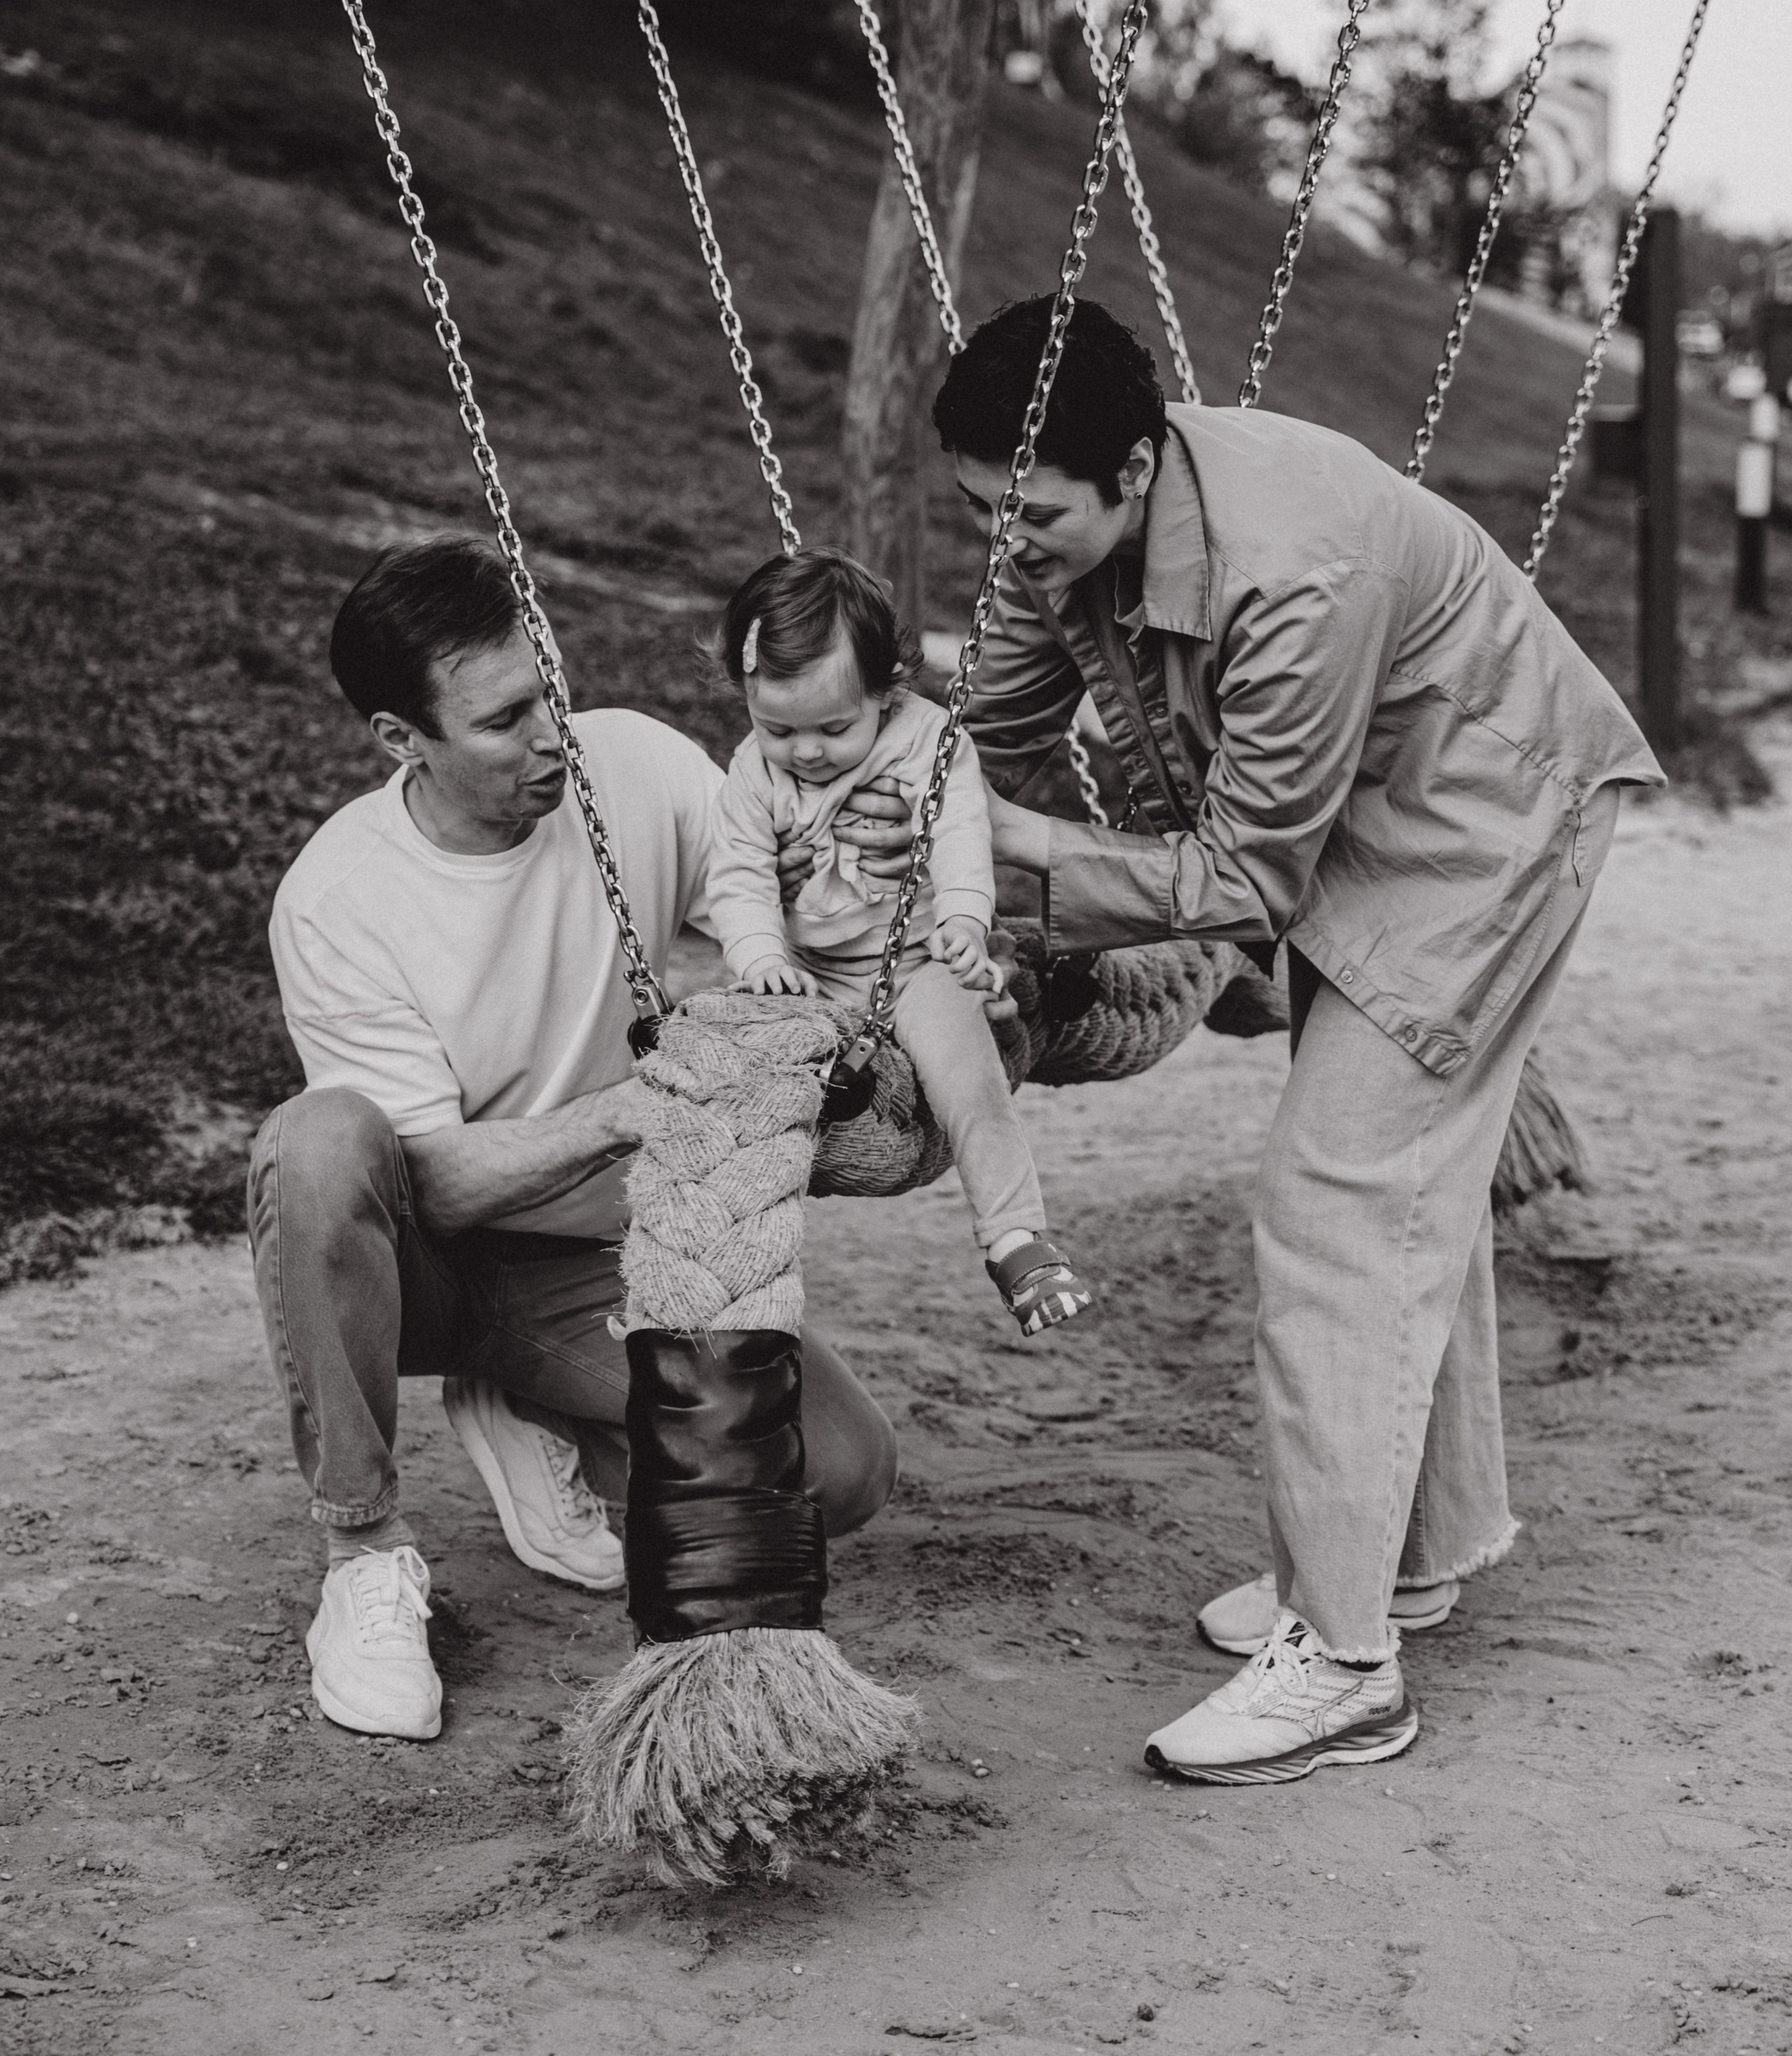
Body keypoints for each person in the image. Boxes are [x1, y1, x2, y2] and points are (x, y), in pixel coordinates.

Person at [937, 295, 1663, 1786]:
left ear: (1134, 472)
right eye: (976, 518)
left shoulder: (1290, 570)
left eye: (1033, 522)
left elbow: (1244, 877)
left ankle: (1341, 1668)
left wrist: (1033, 857)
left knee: (1336, 1195)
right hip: (1358, 827)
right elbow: (996, 730)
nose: (1006, 550)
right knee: (1405, 1198)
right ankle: (1400, 1558)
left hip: (1479, 825)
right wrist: (975, 896)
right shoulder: (1047, 510)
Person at [250, 536, 899, 1742]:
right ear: (406, 741)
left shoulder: (634, 764)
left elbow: (783, 917)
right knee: (319, 1144)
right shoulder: (341, 901)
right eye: (505, 720)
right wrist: (632, 1109)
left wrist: (874, 899)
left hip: (591, 1267)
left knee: (841, 1470)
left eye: (548, 687)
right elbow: (428, 1182)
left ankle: (530, 1404)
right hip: (431, 1271)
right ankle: (365, 1556)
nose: (551, 734)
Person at [706, 547, 1096, 1336]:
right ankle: (716, 1284)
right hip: (808, 970)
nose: (805, 751)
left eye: (833, 727)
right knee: (731, 1092)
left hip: (914, 963)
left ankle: (1018, 1239)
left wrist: (961, 918)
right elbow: (738, 876)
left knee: (971, 1088)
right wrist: (762, 958)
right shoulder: (753, 772)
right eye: (776, 725)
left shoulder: (927, 741)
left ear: (888, 691)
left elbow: (957, 829)